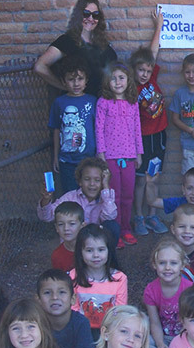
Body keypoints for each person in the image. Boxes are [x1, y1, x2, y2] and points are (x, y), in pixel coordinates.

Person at [131, 8, 170, 236]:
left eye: (147, 70)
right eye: (141, 70)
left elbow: (153, 52)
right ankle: (138, 218)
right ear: (134, 70)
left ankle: (151, 216)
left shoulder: (152, 78)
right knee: (140, 181)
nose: (145, 74)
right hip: (142, 139)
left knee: (154, 178)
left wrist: (159, 27)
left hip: (160, 136)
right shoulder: (131, 89)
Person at [34, 0, 119, 98]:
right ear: (79, 15)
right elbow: (40, 66)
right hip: (75, 105)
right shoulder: (67, 41)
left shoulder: (102, 43)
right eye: (86, 14)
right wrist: (64, 87)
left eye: (95, 15)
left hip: (99, 104)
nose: (91, 19)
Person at [96, 61, 143, 247]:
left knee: (127, 195)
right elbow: (98, 128)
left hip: (129, 156)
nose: (117, 82)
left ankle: (125, 229)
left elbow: (137, 129)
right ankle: (113, 232)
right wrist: (101, 153)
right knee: (112, 196)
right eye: (113, 78)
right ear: (108, 82)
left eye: (121, 78)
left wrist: (139, 153)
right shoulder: (103, 102)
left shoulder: (132, 103)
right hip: (110, 157)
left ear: (128, 81)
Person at [38, 157, 119, 245]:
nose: (92, 184)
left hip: (95, 248)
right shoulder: (70, 197)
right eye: (87, 179)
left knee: (113, 226)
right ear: (80, 181)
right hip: (74, 246)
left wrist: (106, 187)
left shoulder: (105, 199)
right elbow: (46, 217)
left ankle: (108, 257)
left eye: (97, 180)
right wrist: (46, 199)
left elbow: (110, 216)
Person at [48, 55, 97, 194]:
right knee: (70, 195)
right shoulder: (59, 103)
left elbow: (97, 129)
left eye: (80, 79)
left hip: (89, 159)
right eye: (71, 79)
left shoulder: (92, 101)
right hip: (67, 160)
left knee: (90, 195)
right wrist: (57, 156)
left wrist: (100, 154)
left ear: (86, 80)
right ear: (63, 81)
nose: (76, 83)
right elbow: (57, 130)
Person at [68, 223, 128, 337]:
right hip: (81, 329)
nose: (96, 255)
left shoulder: (120, 278)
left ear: (109, 251)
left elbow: (120, 310)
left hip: (110, 330)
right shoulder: (73, 276)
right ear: (80, 252)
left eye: (101, 249)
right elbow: (73, 308)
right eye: (89, 250)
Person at [143, 238, 194, 348]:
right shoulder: (150, 290)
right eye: (162, 263)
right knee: (141, 344)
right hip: (162, 335)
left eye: (173, 263)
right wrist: (160, 344)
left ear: (182, 265)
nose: (167, 267)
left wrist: (179, 344)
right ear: (154, 265)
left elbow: (192, 322)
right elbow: (154, 322)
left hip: (185, 336)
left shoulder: (190, 289)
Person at [151, 166, 194, 245]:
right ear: (183, 189)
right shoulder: (180, 202)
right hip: (181, 244)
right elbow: (153, 202)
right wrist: (150, 183)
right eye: (189, 188)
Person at [49, 201, 84, 272]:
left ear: (82, 226)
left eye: (72, 224)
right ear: (56, 228)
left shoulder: (90, 249)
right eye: (61, 224)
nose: (66, 228)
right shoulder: (57, 255)